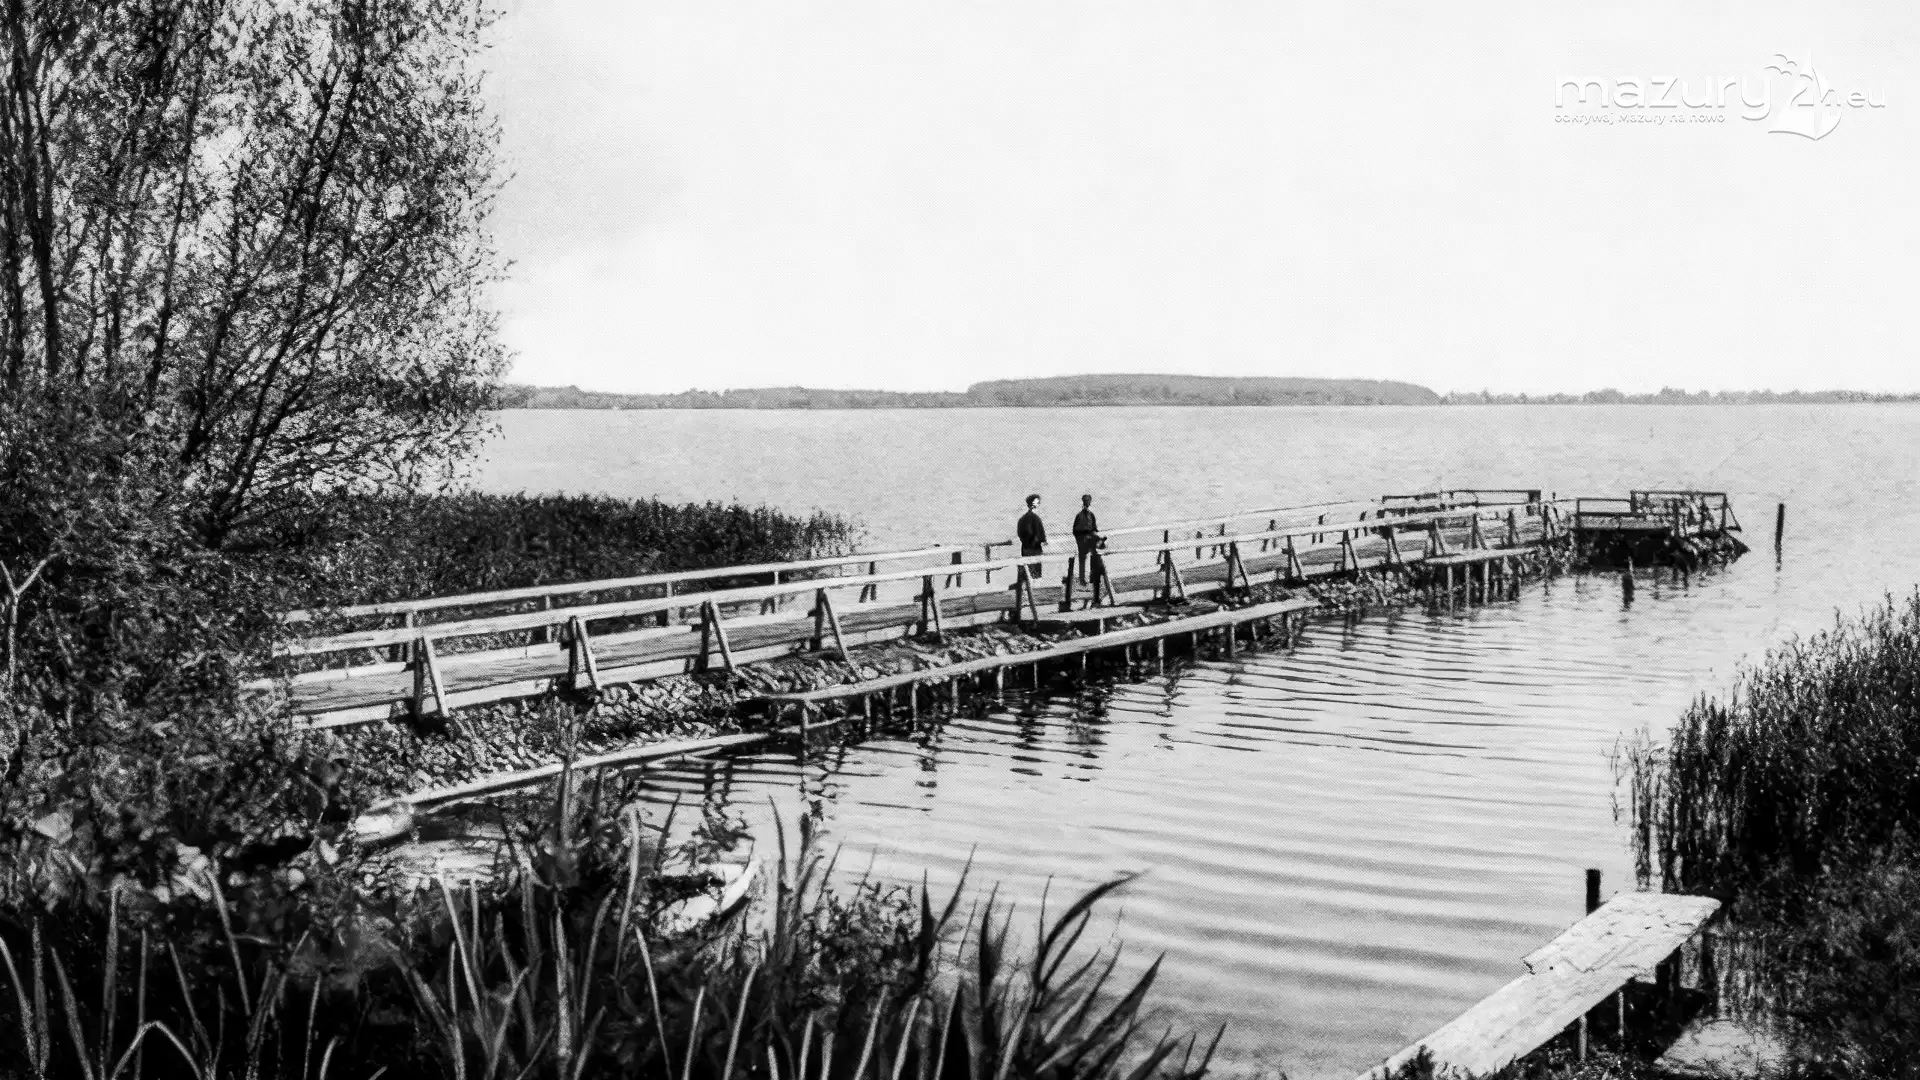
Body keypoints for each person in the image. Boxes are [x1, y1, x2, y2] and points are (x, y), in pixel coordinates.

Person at [1072, 494, 1102, 584]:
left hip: (1089, 539)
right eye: (1086, 501)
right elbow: (1075, 531)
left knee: (1094, 555)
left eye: (1088, 501)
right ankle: (1082, 579)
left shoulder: (1090, 515)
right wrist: (1081, 539)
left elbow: (1094, 528)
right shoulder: (1080, 515)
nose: (1088, 502)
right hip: (1082, 540)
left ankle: (1092, 577)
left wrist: (1092, 535)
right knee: (1083, 558)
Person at [1016, 494, 1047, 581]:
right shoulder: (1034, 518)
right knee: (1035, 573)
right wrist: (1038, 541)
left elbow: (1020, 534)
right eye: (1037, 502)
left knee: (1029, 572)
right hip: (1034, 548)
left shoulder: (1023, 519)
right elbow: (1038, 533)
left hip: (1026, 547)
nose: (1039, 503)